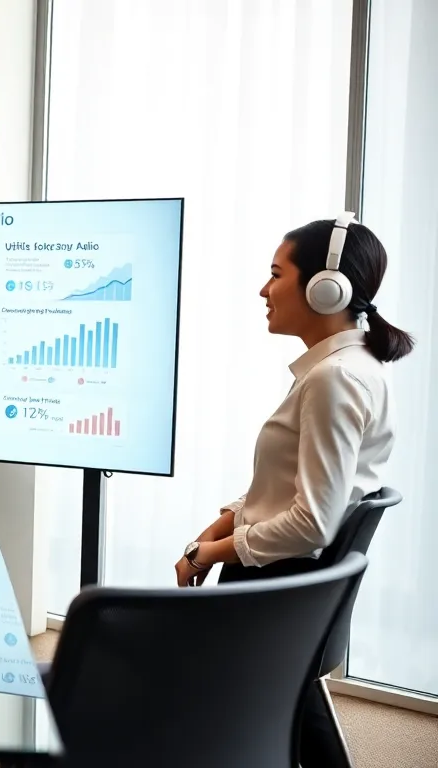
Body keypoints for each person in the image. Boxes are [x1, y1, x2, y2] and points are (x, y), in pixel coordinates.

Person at [174, 215, 413, 768]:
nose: (264, 289)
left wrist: (209, 553)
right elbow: (288, 488)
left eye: (276, 274)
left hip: (273, 594)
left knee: (157, 682)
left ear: (325, 288)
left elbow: (312, 524)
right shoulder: (348, 368)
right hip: (292, 595)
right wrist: (220, 526)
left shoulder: (335, 379)